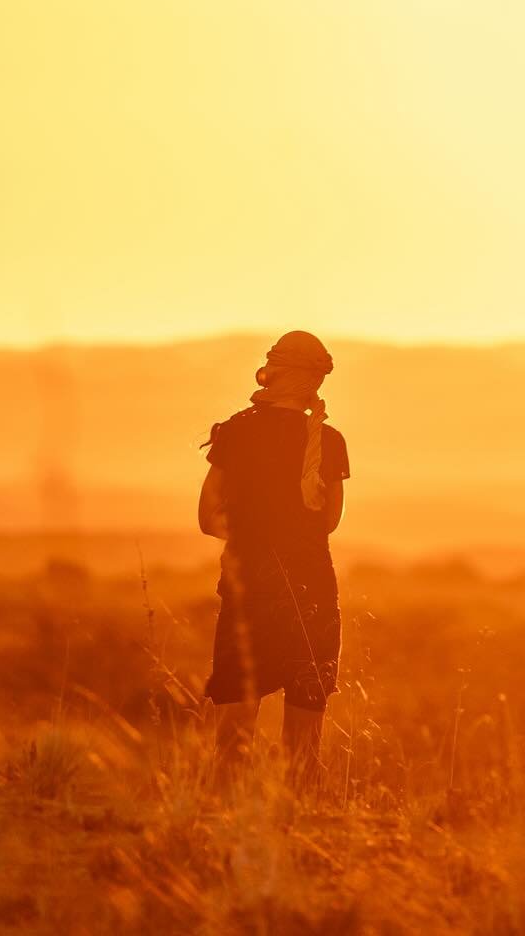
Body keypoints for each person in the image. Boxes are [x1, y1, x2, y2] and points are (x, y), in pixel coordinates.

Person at [198, 328, 349, 792]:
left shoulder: (235, 431)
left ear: (272, 369)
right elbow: (329, 521)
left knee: (232, 730)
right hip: (312, 590)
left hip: (247, 587)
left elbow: (208, 517)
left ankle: (223, 827)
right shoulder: (328, 440)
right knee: (304, 738)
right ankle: (298, 829)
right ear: (316, 380)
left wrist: (249, 538)